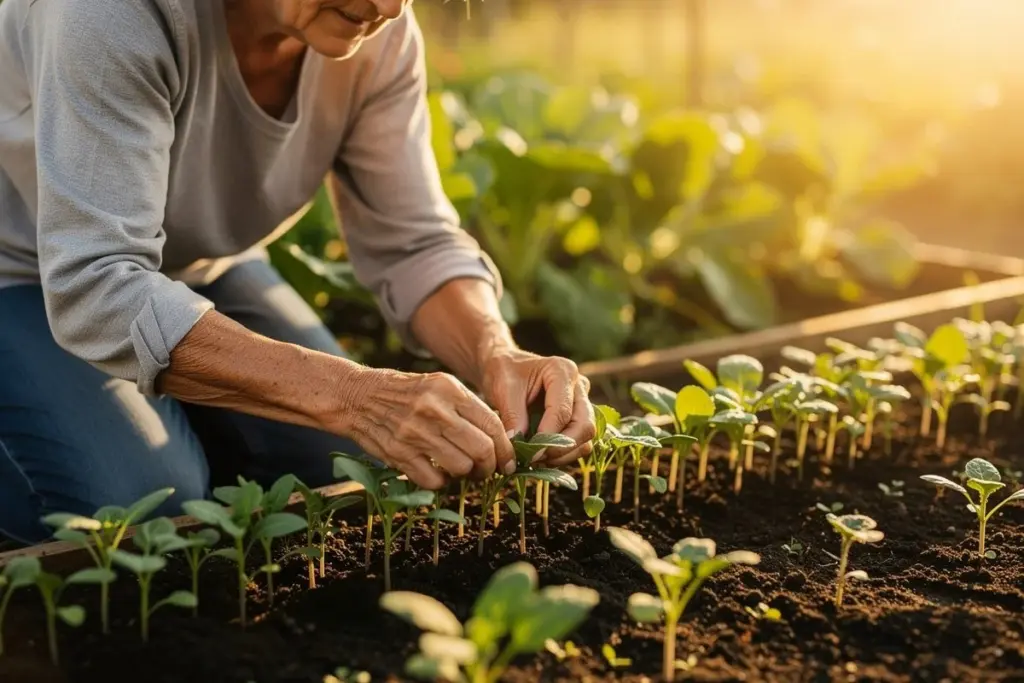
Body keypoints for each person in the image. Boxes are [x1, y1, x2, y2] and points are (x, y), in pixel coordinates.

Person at [0, 0, 596, 545]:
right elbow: (98, 284)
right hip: (25, 267)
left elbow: (413, 242)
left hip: (197, 266)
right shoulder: (110, 12)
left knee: (340, 468)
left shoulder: (378, 35)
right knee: (138, 512)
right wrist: (356, 396)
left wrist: (496, 352)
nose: (388, 7)